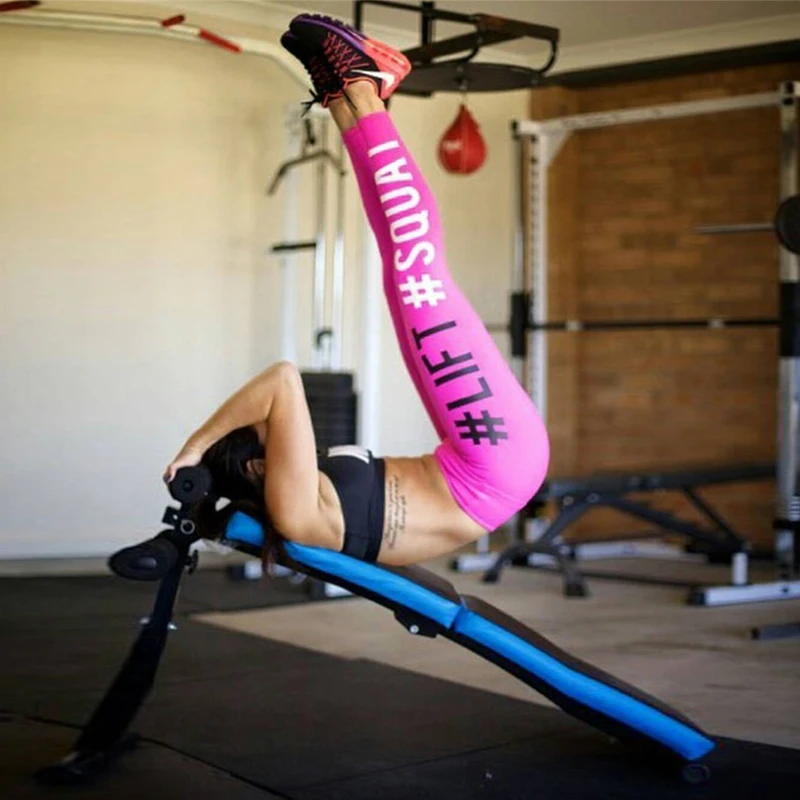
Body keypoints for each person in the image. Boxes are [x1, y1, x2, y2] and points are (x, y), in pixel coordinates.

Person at [164, 14, 549, 567]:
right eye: (264, 433)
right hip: (495, 465)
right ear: (254, 465)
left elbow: (276, 396)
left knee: (401, 266)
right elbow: (281, 381)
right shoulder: (294, 507)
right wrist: (197, 445)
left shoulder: (296, 495)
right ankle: (367, 87)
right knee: (416, 268)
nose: (279, 431)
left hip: (480, 465)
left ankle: (344, 100)